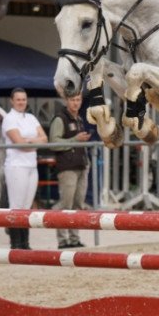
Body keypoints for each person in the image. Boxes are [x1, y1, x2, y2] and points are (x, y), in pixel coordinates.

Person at [2, 87, 48, 249]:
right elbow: (18, 142)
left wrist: (28, 142)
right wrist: (33, 141)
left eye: (23, 99)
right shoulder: (9, 118)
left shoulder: (31, 117)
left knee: (27, 206)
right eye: (18, 99)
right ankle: (15, 244)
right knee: (16, 205)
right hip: (16, 166)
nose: (21, 102)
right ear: (12, 101)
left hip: (31, 165)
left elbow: (45, 138)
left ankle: (25, 243)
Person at [49, 93, 91, 249]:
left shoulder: (79, 118)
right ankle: (62, 240)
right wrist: (75, 140)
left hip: (81, 165)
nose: (76, 103)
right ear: (66, 101)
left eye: (78, 100)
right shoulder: (60, 119)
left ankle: (74, 238)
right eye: (73, 100)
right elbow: (53, 143)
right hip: (67, 167)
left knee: (78, 204)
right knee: (66, 204)